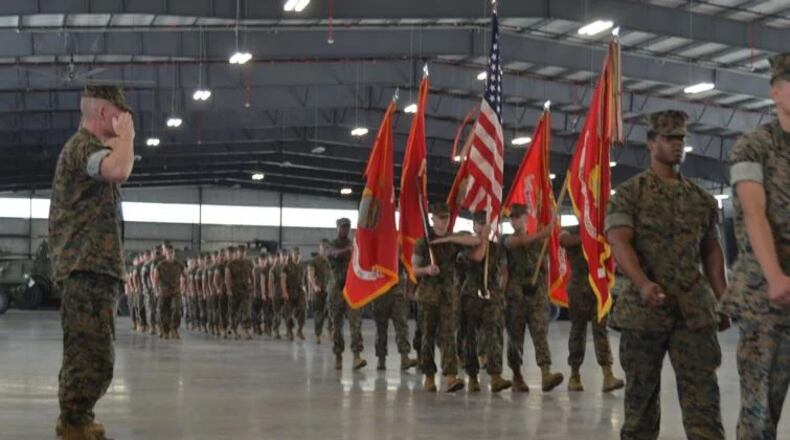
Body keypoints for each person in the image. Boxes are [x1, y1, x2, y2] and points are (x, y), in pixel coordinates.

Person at [606, 110, 728, 440]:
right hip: (645, 311)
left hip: (693, 312)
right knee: (641, 408)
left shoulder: (701, 199)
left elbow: (712, 250)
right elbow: (619, 241)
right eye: (669, 138)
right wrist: (643, 283)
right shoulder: (632, 194)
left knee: (704, 405)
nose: (677, 145)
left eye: (681, 139)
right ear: (650, 143)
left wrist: (723, 298)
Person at [49, 85, 134, 440]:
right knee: (89, 354)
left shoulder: (91, 147)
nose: (124, 119)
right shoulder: (81, 147)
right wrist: (127, 137)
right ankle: (73, 422)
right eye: (119, 113)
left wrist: (120, 138)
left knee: (95, 353)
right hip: (85, 269)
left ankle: (78, 418)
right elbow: (118, 170)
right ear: (103, 114)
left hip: (95, 269)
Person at [721, 53, 790, 440]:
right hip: (768, 298)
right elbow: (753, 212)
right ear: (775, 92)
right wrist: (775, 275)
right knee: (761, 408)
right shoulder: (754, 147)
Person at [412, 203, 480, 392]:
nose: (444, 222)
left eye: (446, 218)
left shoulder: (453, 240)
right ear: (433, 219)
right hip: (428, 296)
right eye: (440, 218)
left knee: (449, 335)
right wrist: (427, 269)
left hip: (448, 296)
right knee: (427, 336)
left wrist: (448, 237)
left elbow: (475, 241)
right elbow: (414, 269)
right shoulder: (423, 241)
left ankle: (450, 375)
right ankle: (429, 376)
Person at [503, 204, 563, 392]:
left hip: (536, 294)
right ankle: (517, 375)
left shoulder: (540, 241)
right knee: (515, 337)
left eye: (518, 216)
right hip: (516, 295)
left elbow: (546, 263)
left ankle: (546, 373)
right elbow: (518, 243)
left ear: (526, 218)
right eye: (512, 217)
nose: (515, 220)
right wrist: (543, 233)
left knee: (540, 333)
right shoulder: (506, 239)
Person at [560, 226, 624, 392]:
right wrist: (589, 236)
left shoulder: (602, 231)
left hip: (598, 286)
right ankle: (574, 375)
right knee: (577, 331)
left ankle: (607, 374)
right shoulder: (570, 230)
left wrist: (597, 235)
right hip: (579, 286)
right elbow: (563, 240)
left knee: (600, 329)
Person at [459, 211, 511, 393]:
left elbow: (504, 271)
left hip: (492, 295)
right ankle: (472, 376)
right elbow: (478, 256)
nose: (483, 226)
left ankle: (496, 375)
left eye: (486, 223)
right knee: (470, 338)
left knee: (495, 334)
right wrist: (484, 238)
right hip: (470, 296)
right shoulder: (466, 244)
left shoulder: (497, 248)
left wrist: (501, 293)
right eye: (479, 223)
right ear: (474, 226)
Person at [328, 218, 367, 370]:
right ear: (337, 228)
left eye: (347, 227)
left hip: (352, 290)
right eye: (342, 227)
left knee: (355, 323)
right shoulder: (332, 244)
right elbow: (334, 254)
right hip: (337, 290)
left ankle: (357, 356)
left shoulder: (354, 244)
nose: (345, 230)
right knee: (337, 325)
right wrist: (349, 250)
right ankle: (338, 356)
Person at [371, 267, 419, 372]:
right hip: (380, 287)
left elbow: (408, 265)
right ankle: (381, 359)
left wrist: (410, 289)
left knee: (402, 324)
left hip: (397, 288)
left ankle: (404, 358)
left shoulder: (399, 250)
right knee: (381, 326)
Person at [152, 243, 185, 340]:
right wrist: (156, 289)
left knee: (177, 309)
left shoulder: (179, 264)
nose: (170, 254)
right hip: (164, 291)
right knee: (163, 311)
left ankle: (174, 328)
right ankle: (165, 330)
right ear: (165, 254)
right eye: (169, 253)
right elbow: (155, 278)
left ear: (174, 253)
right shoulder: (160, 265)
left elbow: (185, 276)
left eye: (172, 253)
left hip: (176, 291)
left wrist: (184, 287)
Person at [226, 245, 254, 340]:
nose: (242, 253)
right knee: (234, 312)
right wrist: (229, 290)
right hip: (234, 291)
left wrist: (252, 285)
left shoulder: (249, 263)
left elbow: (251, 275)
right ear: (237, 252)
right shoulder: (231, 264)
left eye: (244, 252)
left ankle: (246, 330)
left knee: (246, 311)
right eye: (240, 251)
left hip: (245, 291)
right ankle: (234, 330)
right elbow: (227, 278)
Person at [308, 240, 331, 344]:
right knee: (319, 315)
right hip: (318, 292)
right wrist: (314, 286)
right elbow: (310, 275)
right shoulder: (314, 261)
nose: (325, 249)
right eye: (323, 247)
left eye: (327, 248)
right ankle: (318, 334)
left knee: (333, 312)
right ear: (320, 248)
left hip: (329, 291)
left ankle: (329, 331)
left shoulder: (330, 261)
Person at [281, 247, 307, 341]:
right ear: (292, 255)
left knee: (303, 309)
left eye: (298, 254)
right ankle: (289, 331)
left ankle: (299, 330)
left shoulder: (302, 266)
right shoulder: (286, 266)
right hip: (289, 292)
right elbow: (283, 280)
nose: (296, 256)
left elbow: (304, 280)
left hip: (300, 291)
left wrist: (306, 291)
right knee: (288, 313)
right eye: (295, 254)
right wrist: (284, 292)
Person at [269, 250, 288, 339]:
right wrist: (270, 292)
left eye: (285, 255)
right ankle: (275, 329)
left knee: (288, 313)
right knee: (277, 313)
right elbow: (271, 282)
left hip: (289, 294)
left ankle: (289, 331)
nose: (284, 257)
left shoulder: (290, 267)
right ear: (279, 256)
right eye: (282, 255)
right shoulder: (274, 268)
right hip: (277, 294)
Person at [250, 254, 265, 335]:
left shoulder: (255, 269)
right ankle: (257, 326)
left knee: (254, 310)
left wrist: (254, 291)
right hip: (259, 293)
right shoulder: (259, 270)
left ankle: (256, 326)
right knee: (257, 311)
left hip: (257, 293)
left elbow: (254, 282)